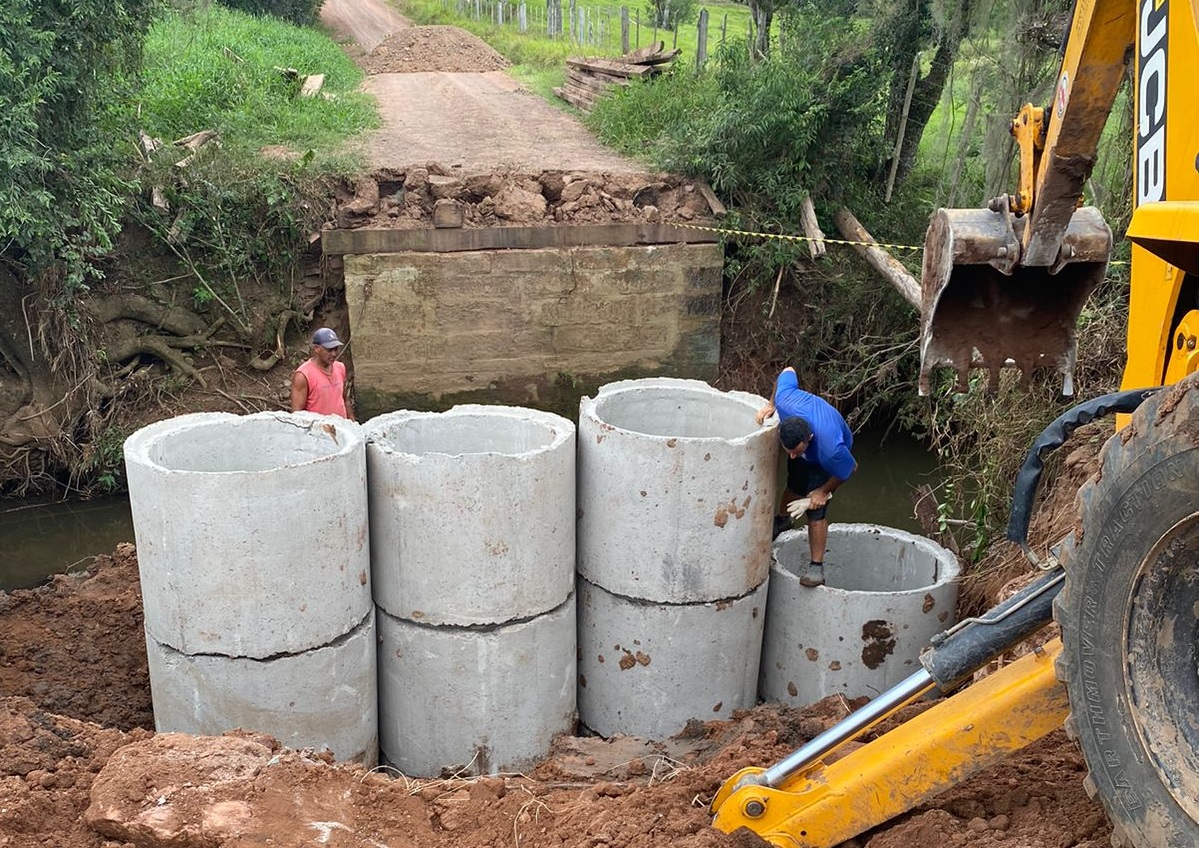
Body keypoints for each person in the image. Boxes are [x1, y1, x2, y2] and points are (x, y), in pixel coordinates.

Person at [756, 366, 857, 587]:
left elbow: (850, 468)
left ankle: (816, 566)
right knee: (793, 486)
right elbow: (788, 370)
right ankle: (783, 521)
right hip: (809, 450)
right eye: (788, 451)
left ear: (808, 438)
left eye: (796, 451)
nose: (791, 456)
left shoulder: (830, 450)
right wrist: (772, 403)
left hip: (828, 463)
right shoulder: (785, 400)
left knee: (815, 511)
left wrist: (823, 491)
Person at [292, 328, 355, 420]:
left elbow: (345, 400)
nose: (334, 354)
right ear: (317, 349)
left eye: (336, 349)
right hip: (318, 431)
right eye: (329, 350)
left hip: (342, 429)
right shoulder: (303, 375)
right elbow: (297, 414)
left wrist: (353, 424)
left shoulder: (340, 367)